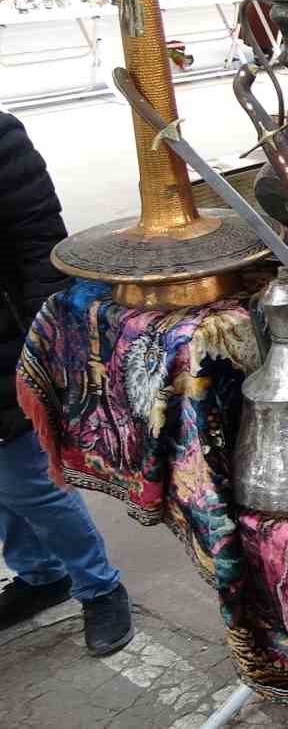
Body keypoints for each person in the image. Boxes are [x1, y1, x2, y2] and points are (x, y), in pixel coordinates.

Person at [0, 112, 134, 657]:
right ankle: (38, 574)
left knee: (27, 478)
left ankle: (98, 586)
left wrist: (44, 348)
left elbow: (42, 249)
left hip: (7, 341)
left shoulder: (2, 138)